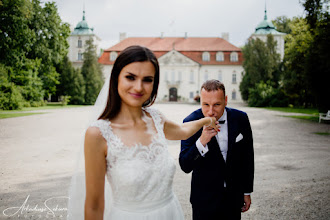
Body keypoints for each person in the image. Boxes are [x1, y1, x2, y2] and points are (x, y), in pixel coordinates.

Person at [68, 45, 219, 220]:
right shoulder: (98, 134)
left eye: (147, 79)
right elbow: (94, 206)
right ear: (116, 78)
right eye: (130, 77)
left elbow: (183, 131)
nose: (139, 87)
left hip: (170, 213)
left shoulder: (156, 119)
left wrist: (207, 120)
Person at [179, 79, 254, 220]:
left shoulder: (241, 118)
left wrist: (247, 191)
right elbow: (185, 165)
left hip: (233, 198)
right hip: (204, 200)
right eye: (205, 105)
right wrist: (201, 142)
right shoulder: (190, 122)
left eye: (217, 105)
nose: (211, 111)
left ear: (225, 100)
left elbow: (247, 158)